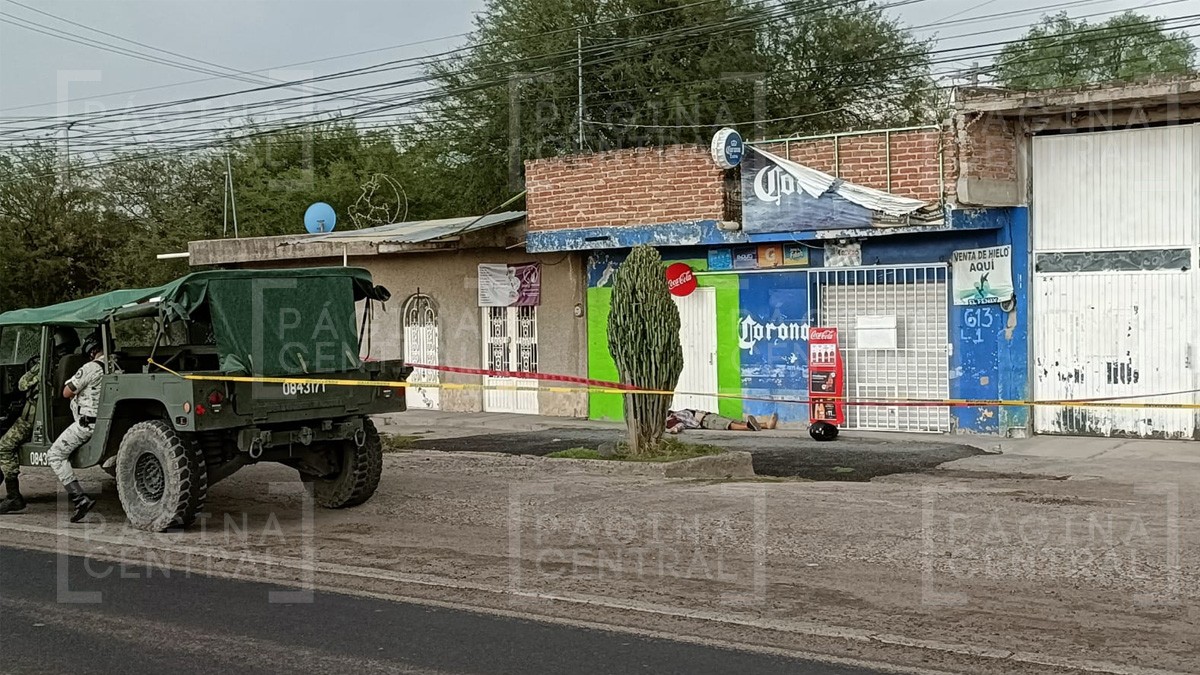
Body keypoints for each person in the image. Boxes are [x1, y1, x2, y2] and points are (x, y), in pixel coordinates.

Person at [0, 327, 80, 515]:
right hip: (64, 412)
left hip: (35, 416)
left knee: (4, 446)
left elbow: (21, 384)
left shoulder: (47, 365)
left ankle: (13, 496)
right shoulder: (79, 362)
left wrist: (38, 363)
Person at [47, 331, 119, 523]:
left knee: (54, 455)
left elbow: (66, 391)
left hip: (87, 425)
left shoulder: (90, 368)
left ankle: (80, 499)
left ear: (92, 349)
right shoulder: (118, 366)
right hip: (111, 424)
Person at [666, 409, 778, 434]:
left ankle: (766, 425)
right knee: (727, 425)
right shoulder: (670, 420)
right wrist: (675, 430)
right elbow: (678, 426)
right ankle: (748, 427)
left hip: (707, 415)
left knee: (733, 420)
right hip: (704, 421)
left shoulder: (674, 413)